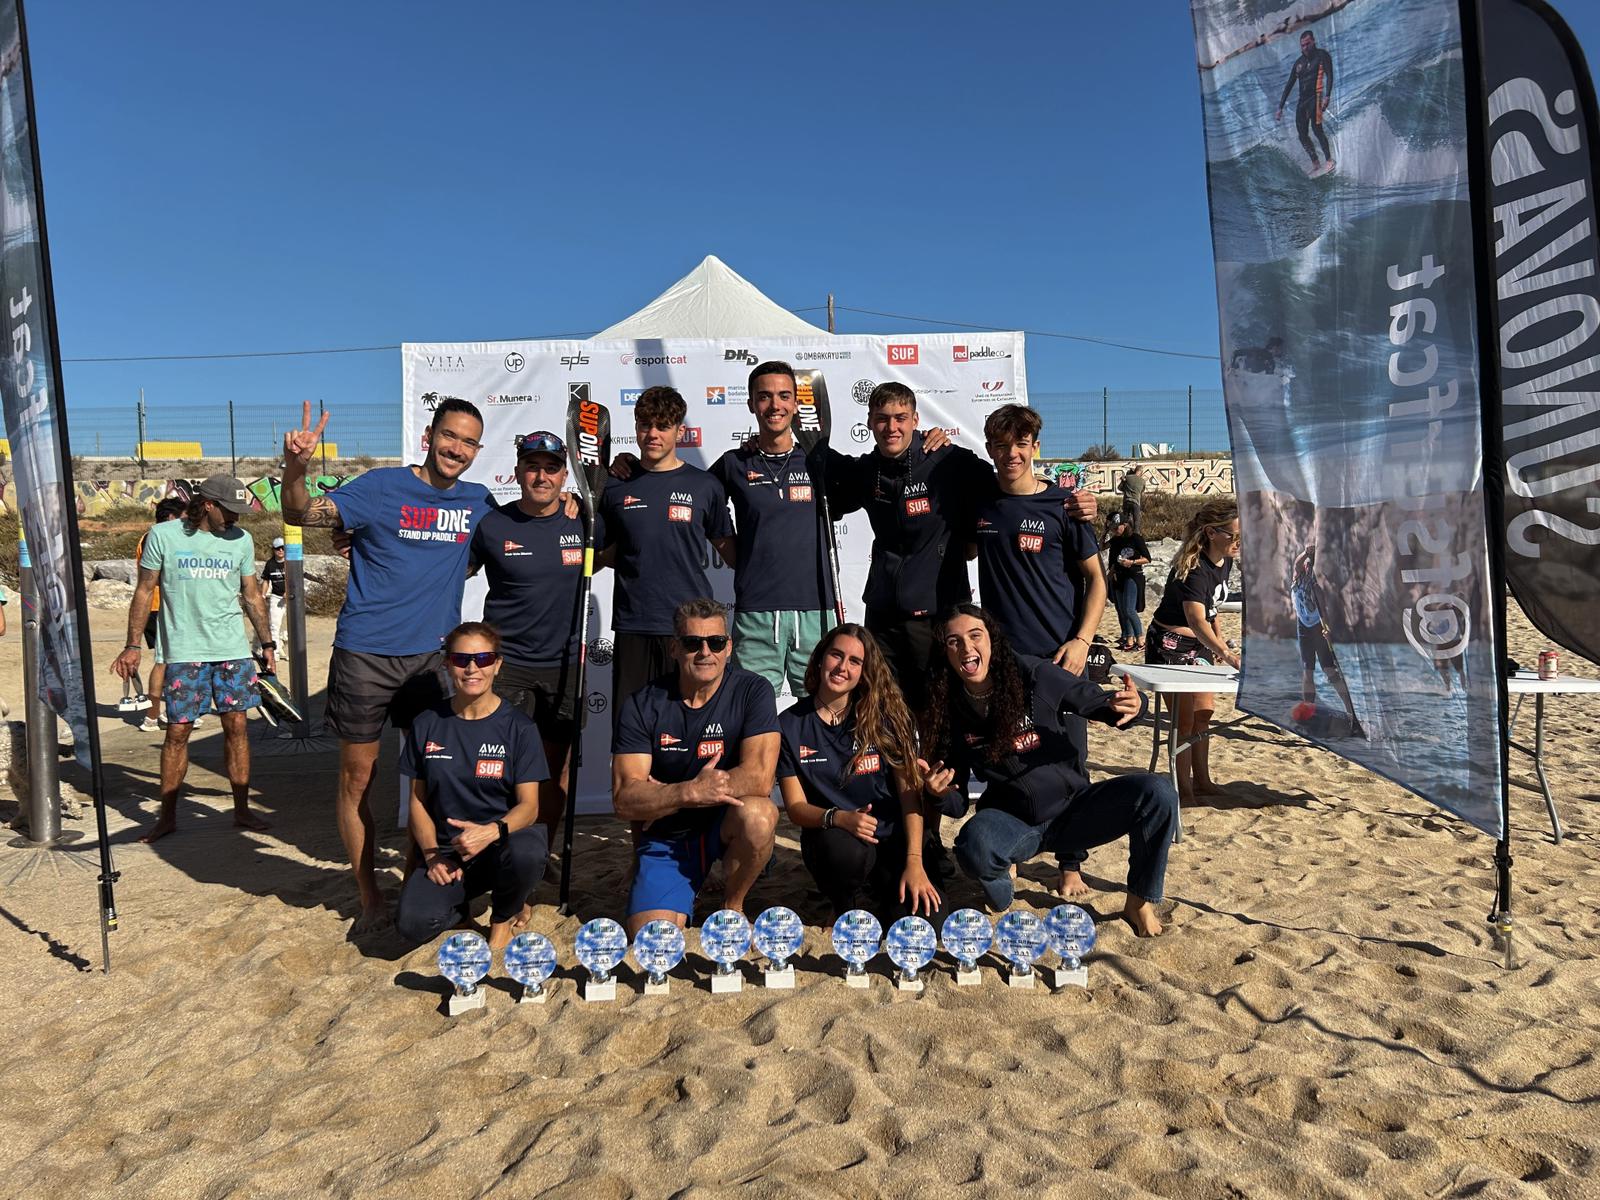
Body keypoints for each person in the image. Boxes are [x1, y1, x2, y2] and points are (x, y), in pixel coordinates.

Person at [282, 397, 491, 930]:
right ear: (429, 435)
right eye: (450, 436)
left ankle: (426, 881)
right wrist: (297, 468)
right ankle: (369, 894)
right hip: (365, 654)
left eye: (469, 442)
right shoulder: (379, 487)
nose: (457, 449)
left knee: (436, 777)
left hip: (431, 660)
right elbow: (300, 513)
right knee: (358, 779)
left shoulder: (477, 501)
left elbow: (514, 539)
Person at [918, 603, 1176, 936]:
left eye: (975, 635)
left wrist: (1134, 705)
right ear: (946, 652)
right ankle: (1000, 881)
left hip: (1074, 810)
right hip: (1013, 820)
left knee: (1159, 793)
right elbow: (955, 805)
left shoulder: (1034, 675)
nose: (966, 647)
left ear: (992, 640)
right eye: (954, 641)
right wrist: (938, 793)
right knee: (973, 845)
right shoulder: (947, 706)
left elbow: (1098, 703)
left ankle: (1139, 900)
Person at [110, 475, 275, 843]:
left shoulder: (241, 540)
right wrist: (133, 645)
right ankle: (167, 816)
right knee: (178, 732)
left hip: (232, 650)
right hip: (184, 652)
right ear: (209, 505)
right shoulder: (164, 536)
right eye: (230, 511)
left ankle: (242, 810)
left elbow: (251, 595)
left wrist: (267, 643)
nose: (236, 519)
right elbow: (144, 590)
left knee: (237, 728)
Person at [611, 599, 779, 935]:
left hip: (724, 823)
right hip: (668, 837)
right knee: (651, 939)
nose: (705, 652)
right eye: (692, 643)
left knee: (760, 815)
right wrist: (689, 791)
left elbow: (759, 777)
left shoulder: (753, 690)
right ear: (674, 648)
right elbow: (624, 799)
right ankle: (667, 880)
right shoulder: (642, 703)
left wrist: (679, 793)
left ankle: (732, 905)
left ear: (728, 647)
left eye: (715, 642)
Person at [469, 430, 601, 840]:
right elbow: (446, 568)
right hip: (507, 667)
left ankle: (539, 850)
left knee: (554, 767)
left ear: (565, 476)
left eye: (551, 469)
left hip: (564, 666)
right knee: (500, 768)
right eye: (532, 467)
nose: (541, 477)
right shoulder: (493, 524)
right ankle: (499, 847)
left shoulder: (585, 521)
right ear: (517, 472)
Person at [394, 622, 549, 952]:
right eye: (462, 659)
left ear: (497, 664)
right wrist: (433, 856)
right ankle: (461, 906)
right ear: (448, 663)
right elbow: (418, 803)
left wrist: (491, 831)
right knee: (413, 926)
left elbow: (529, 808)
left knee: (528, 852)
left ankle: (503, 917)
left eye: (483, 657)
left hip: (501, 845)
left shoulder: (519, 728)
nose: (473, 667)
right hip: (449, 853)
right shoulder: (427, 723)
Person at [777, 624, 941, 924]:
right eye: (836, 655)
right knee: (842, 853)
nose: (842, 667)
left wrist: (915, 862)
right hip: (836, 840)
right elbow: (796, 808)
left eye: (855, 661)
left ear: (865, 671)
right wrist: (838, 817)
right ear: (819, 659)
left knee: (922, 921)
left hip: (893, 841)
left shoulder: (884, 716)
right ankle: (843, 901)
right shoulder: (789, 725)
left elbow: (909, 798)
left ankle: (883, 888)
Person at [599, 387, 735, 719]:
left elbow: (730, 551)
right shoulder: (614, 485)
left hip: (692, 628)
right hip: (635, 625)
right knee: (630, 728)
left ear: (680, 431)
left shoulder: (705, 486)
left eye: (663, 426)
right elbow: (601, 553)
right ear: (635, 428)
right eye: (645, 425)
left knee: (688, 726)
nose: (653, 435)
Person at [708, 360, 837, 693]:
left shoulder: (820, 459)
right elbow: (695, 496)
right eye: (764, 397)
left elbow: (879, 469)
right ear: (751, 403)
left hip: (817, 611)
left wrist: (924, 441)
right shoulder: (735, 462)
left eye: (784, 396)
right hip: (757, 614)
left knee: (823, 716)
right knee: (752, 722)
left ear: (796, 403)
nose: (775, 405)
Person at [972, 404, 1106, 674]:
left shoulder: (1065, 505)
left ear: (1035, 447)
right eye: (1001, 445)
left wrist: (1082, 642)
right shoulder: (979, 503)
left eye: (1021, 444)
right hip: (1001, 656)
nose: (1012, 454)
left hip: (1061, 655)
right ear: (989, 449)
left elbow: (1097, 580)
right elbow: (965, 551)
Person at [1145, 498, 1241, 802]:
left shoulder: (1224, 561)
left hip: (1199, 645)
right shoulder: (1194, 568)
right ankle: (1183, 788)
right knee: (1183, 722)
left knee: (1204, 714)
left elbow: (1212, 611)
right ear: (1212, 532)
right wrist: (1225, 653)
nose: (1240, 542)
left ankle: (1203, 780)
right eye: (1234, 536)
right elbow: (1195, 618)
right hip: (1170, 645)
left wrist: (1218, 643)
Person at [1291, 545, 1364, 735]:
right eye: (1306, 565)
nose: (1307, 567)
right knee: (1307, 671)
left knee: (1330, 671)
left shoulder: (1317, 588)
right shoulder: (1296, 579)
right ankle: (1307, 712)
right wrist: (1307, 553)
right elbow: (1297, 563)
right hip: (1303, 628)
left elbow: (1324, 612)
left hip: (1317, 628)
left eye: (1310, 566)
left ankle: (1351, 714)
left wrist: (1327, 631)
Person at [132, 498, 187, 732]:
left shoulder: (152, 537)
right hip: (157, 606)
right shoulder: (155, 537)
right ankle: (152, 716)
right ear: (172, 518)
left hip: (163, 605)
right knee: (164, 661)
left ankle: (169, 711)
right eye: (184, 517)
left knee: (171, 660)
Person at [1276, 28, 1335, 174]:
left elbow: (1330, 75)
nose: (1305, 47)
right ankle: (1315, 162)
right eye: (1302, 45)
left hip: (1316, 98)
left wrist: (1327, 96)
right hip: (1302, 102)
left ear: (1313, 41)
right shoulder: (1298, 63)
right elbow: (1289, 84)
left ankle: (1328, 160)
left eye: (1307, 44)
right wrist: (1280, 107)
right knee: (1302, 135)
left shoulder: (1322, 56)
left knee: (1317, 129)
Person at [1105, 512, 1151, 652]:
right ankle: (1128, 638)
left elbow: (1147, 558)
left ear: (1124, 525)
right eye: (1112, 528)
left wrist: (1131, 562)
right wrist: (1105, 531)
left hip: (1133, 575)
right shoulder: (1115, 540)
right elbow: (1101, 547)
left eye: (1116, 527)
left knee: (1129, 609)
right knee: (1121, 609)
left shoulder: (1136, 538)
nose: (1114, 530)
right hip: (1118, 577)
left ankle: (1140, 639)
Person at [258, 536, 288, 651]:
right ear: (273, 550)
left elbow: (295, 579)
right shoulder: (270, 564)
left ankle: (285, 643)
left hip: (291, 598)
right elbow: (266, 580)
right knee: (274, 625)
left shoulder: (290, 562)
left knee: (294, 627)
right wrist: (263, 595)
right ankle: (275, 651)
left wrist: (289, 590)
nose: (281, 550)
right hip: (276, 598)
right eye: (278, 548)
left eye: (283, 548)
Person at [1118, 463, 1147, 533]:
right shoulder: (1143, 481)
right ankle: (1136, 536)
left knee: (1125, 520)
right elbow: (1141, 491)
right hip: (1136, 502)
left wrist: (1124, 483)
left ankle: (1125, 535)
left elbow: (1119, 488)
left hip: (1126, 501)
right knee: (1136, 521)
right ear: (1141, 472)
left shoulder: (1127, 478)